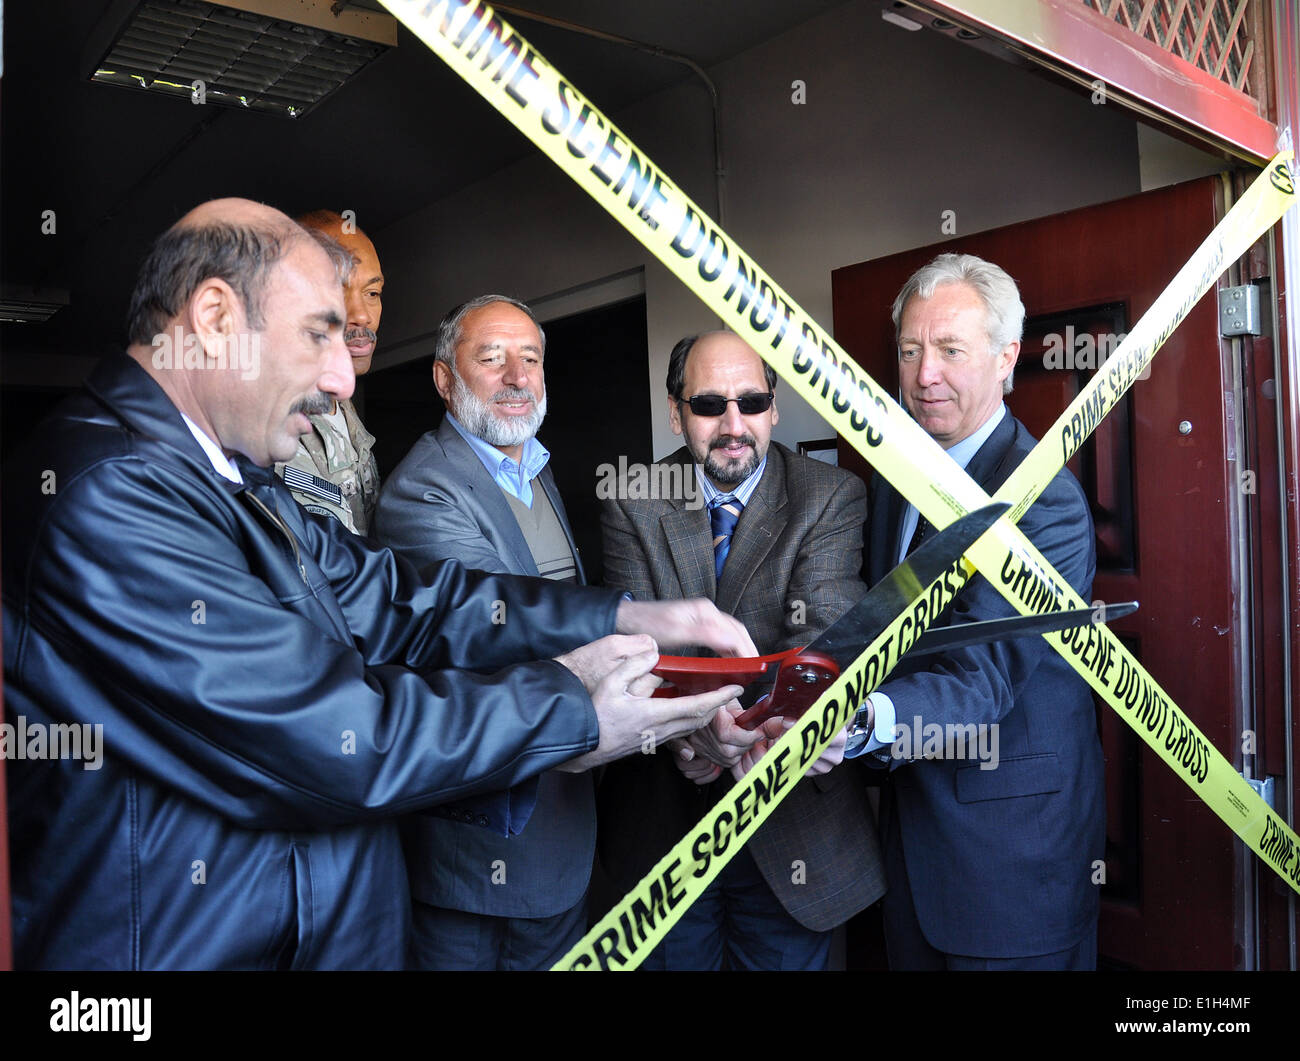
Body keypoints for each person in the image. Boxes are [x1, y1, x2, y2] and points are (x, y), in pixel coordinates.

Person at [0, 199, 754, 970]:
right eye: (320, 332)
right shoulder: (110, 492)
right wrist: (572, 705)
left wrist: (627, 614)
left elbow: (405, 599)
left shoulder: (234, 478)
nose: (340, 378)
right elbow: (337, 736)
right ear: (216, 317)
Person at [846, 252, 1104, 970]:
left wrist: (861, 721)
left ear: (1005, 358)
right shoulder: (894, 477)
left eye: (950, 350)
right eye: (909, 350)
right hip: (909, 859)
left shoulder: (1044, 500)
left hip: (1013, 872)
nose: (924, 374)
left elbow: (983, 675)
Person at [597, 330, 885, 970]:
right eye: (709, 405)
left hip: (792, 821)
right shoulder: (630, 497)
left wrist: (746, 732)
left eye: (752, 401)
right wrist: (693, 733)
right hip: (666, 834)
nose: (734, 424)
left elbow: (823, 637)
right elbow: (635, 649)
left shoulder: (832, 494)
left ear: (774, 407)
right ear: (676, 412)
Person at [373, 294, 593, 970]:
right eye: (491, 357)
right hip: (480, 865)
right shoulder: (423, 491)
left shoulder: (536, 471)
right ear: (446, 379)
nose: (516, 376)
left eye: (530, 358)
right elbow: (513, 636)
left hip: (563, 841)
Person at [275, 209, 383, 534]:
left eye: (373, 293)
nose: (362, 316)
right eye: (338, 288)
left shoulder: (345, 412)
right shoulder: (271, 426)